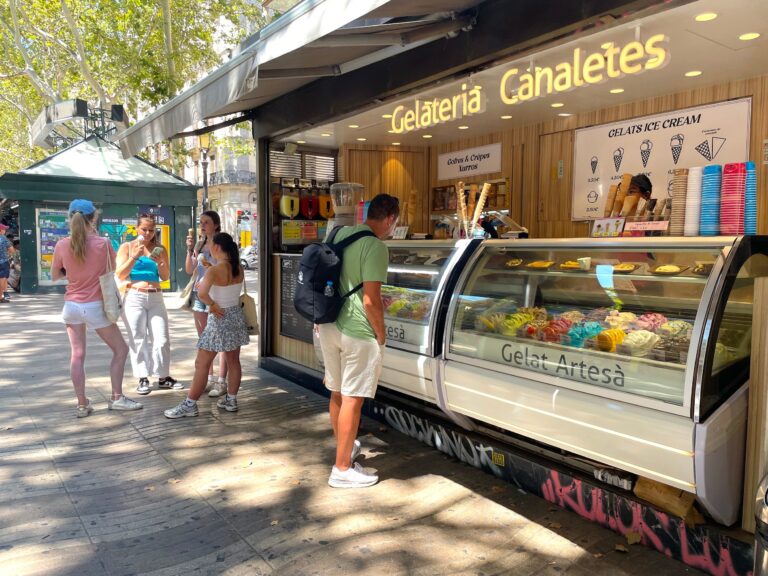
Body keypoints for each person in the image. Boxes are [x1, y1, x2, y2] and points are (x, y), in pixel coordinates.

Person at [317, 193, 400, 488]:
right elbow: (370, 300)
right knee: (353, 397)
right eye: (395, 222)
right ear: (390, 218)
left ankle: (346, 449)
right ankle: (341, 469)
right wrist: (380, 333)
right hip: (357, 331)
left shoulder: (341, 233)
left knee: (338, 393)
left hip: (328, 326)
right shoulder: (375, 246)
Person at [51, 199, 143, 417]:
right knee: (120, 350)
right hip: (95, 305)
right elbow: (116, 271)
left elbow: (55, 275)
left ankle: (82, 404)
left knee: (77, 355)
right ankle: (117, 398)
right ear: (93, 219)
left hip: (71, 305)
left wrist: (73, 275)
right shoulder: (102, 244)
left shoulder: (61, 245)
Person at [165, 232, 249, 418]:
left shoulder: (214, 271)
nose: (209, 246)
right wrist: (212, 269)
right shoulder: (238, 268)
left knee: (201, 363)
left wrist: (211, 304)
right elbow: (226, 283)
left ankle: (190, 404)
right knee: (233, 361)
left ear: (217, 247)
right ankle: (231, 399)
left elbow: (202, 293)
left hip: (219, 318)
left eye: (210, 243)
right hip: (235, 316)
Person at [116, 214, 182, 395]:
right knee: (138, 338)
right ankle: (142, 377)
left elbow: (166, 276)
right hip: (134, 296)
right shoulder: (127, 247)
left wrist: (161, 263)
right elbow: (120, 274)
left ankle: (163, 376)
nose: (147, 233)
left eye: (151, 230)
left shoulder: (160, 248)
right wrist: (134, 257)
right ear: (137, 228)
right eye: (144, 229)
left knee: (161, 339)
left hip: (156, 296)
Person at [185, 211, 229, 396]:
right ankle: (207, 378)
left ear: (216, 225)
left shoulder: (222, 244)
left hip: (217, 295)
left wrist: (211, 269)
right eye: (201, 222)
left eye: (206, 222)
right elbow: (189, 269)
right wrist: (189, 250)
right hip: (200, 295)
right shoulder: (200, 244)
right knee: (204, 339)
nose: (202, 225)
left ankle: (221, 381)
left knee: (223, 339)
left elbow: (227, 267)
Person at [0, 224, 13, 303]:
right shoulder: (3, 238)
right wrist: (8, 254)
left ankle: (3, 296)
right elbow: (11, 250)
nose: (5, 231)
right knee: (2, 279)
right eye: (4, 229)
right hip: (3, 262)